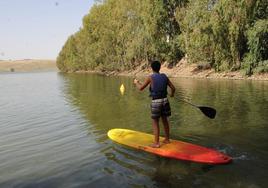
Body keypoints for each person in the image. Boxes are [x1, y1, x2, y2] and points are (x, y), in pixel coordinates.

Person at [133, 60, 176, 148]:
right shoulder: (164, 76)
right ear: (160, 68)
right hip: (165, 100)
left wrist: (136, 83)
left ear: (151, 68)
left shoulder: (150, 77)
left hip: (156, 101)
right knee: (165, 120)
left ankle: (156, 143)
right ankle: (167, 139)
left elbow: (141, 88)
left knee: (155, 122)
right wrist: (171, 94)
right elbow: (173, 88)